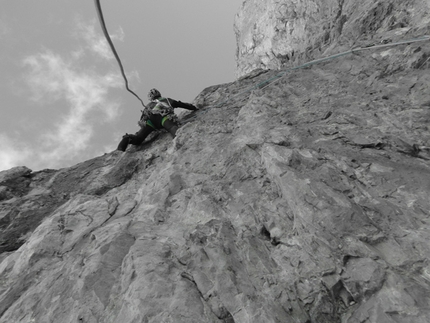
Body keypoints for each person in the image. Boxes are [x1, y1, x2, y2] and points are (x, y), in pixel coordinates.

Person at [117, 88, 198, 151]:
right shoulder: (166, 100)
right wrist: (193, 107)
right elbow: (180, 104)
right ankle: (180, 142)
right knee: (172, 128)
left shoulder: (149, 105)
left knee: (138, 139)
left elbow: (143, 117)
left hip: (149, 121)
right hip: (163, 116)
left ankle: (126, 140)